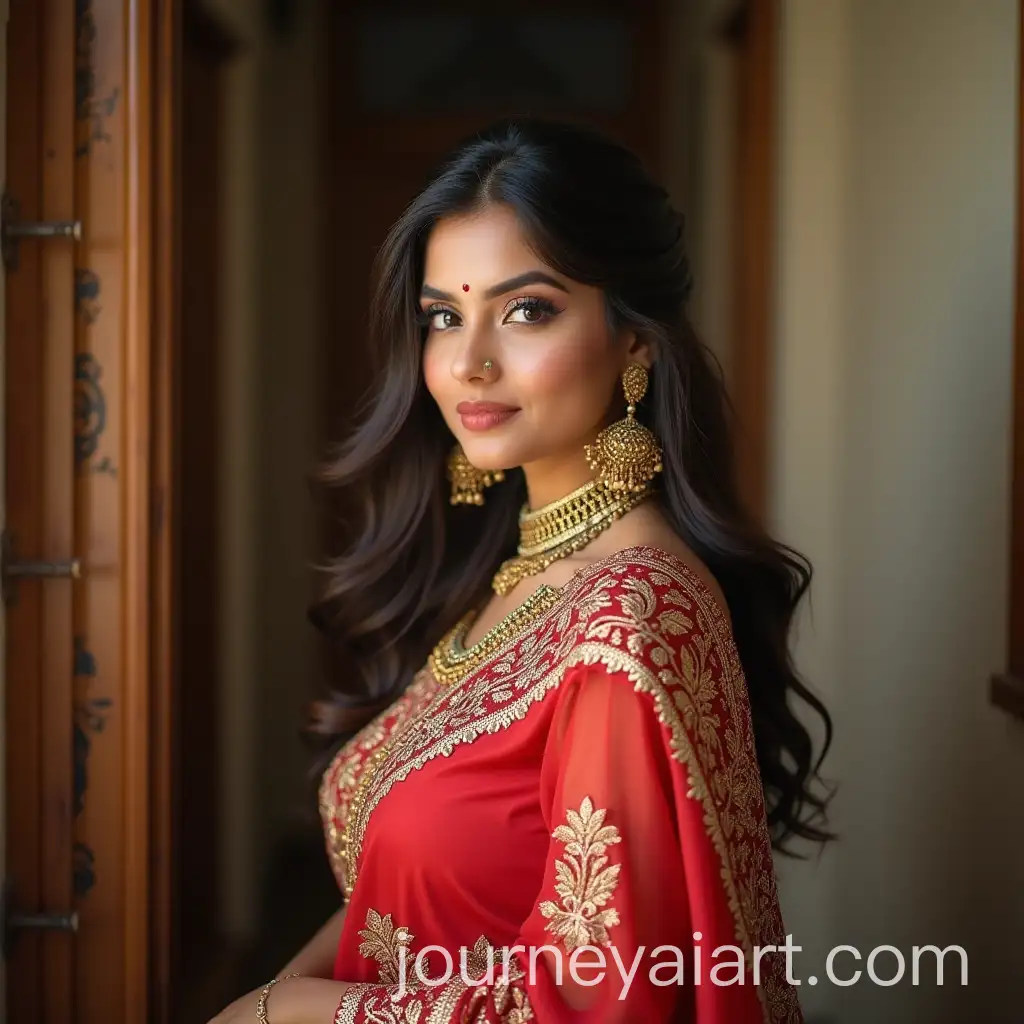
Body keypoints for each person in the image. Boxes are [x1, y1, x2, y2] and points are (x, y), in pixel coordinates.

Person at [209, 117, 833, 1024]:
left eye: (527, 309)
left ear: (635, 344)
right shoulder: (515, 574)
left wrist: (278, 1013)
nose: (469, 362)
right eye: (443, 317)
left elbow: (593, 1001)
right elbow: (400, 887)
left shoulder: (631, 613)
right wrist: (270, 997)